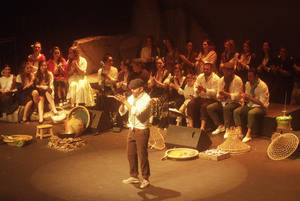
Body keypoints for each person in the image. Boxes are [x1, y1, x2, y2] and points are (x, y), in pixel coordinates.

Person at [115, 78, 152, 189]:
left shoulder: (147, 99)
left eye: (134, 89)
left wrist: (126, 102)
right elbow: (123, 111)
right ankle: (134, 176)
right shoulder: (132, 97)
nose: (132, 91)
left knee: (142, 155)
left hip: (142, 129)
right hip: (132, 129)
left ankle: (145, 178)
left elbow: (138, 113)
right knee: (130, 154)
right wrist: (122, 103)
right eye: (130, 89)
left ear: (141, 89)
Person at [207, 62, 243, 138]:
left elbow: (238, 96)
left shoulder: (237, 80)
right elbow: (218, 94)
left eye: (227, 71)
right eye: (224, 70)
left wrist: (226, 94)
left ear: (232, 71)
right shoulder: (221, 80)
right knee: (210, 108)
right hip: (224, 101)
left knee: (227, 108)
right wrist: (220, 96)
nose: (226, 72)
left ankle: (227, 129)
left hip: (235, 102)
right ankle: (220, 126)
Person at [233, 68, 269, 142]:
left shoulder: (262, 86)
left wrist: (249, 97)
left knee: (251, 113)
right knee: (236, 111)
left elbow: (262, 103)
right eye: (248, 76)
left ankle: (248, 134)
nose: (249, 78)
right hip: (250, 105)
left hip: (261, 107)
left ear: (256, 76)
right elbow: (247, 98)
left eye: (250, 76)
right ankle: (240, 132)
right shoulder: (247, 84)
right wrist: (244, 97)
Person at [187, 62, 220, 129]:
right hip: (201, 97)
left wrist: (205, 90)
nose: (205, 71)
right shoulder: (200, 76)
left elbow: (216, 92)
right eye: (204, 69)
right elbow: (195, 86)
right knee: (190, 104)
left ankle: (202, 127)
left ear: (211, 70)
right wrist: (197, 90)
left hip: (212, 99)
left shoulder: (216, 78)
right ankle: (191, 126)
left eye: (207, 69)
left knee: (204, 107)